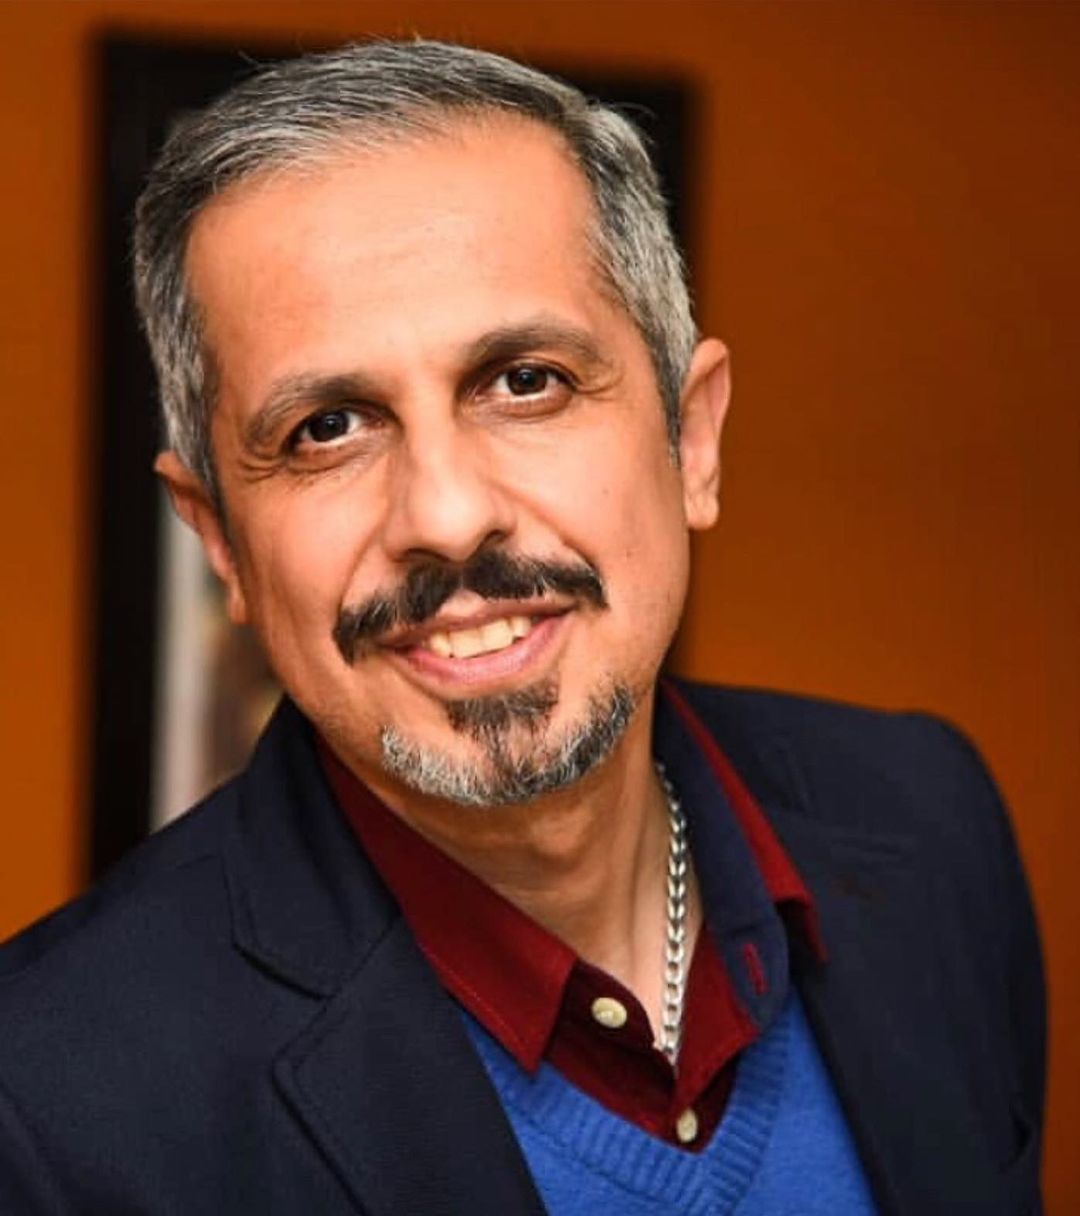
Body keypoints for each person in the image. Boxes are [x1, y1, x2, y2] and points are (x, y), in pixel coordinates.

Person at [0, 40, 1043, 1215]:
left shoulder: (930, 824)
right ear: (222, 543)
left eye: (526, 380)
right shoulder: (43, 1109)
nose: (446, 516)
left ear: (693, 440)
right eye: (328, 426)